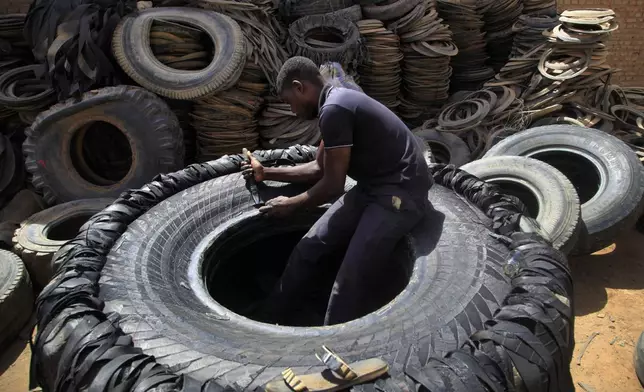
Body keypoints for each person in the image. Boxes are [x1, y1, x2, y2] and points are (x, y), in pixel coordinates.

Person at [242, 56, 432, 326]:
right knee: (309, 248)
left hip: (400, 192)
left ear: (300, 87)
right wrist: (267, 173)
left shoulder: (335, 109)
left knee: (349, 281)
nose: (293, 111)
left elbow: (332, 186)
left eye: (289, 102)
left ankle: (331, 347)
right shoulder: (335, 102)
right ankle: (269, 319)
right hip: (372, 187)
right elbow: (319, 169)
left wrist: (292, 204)